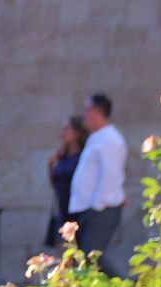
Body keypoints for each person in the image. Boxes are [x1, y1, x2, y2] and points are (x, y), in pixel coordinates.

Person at [68, 93, 128, 276]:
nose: (84, 115)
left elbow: (110, 176)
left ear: (96, 112)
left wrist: (97, 206)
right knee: (84, 258)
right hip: (90, 208)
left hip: (102, 208)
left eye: (87, 110)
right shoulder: (98, 138)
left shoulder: (110, 139)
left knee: (91, 255)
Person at [44, 116, 86, 247]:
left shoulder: (83, 157)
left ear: (77, 133)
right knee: (64, 254)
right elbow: (56, 185)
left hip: (77, 213)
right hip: (62, 212)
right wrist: (50, 165)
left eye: (67, 128)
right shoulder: (61, 156)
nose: (63, 133)